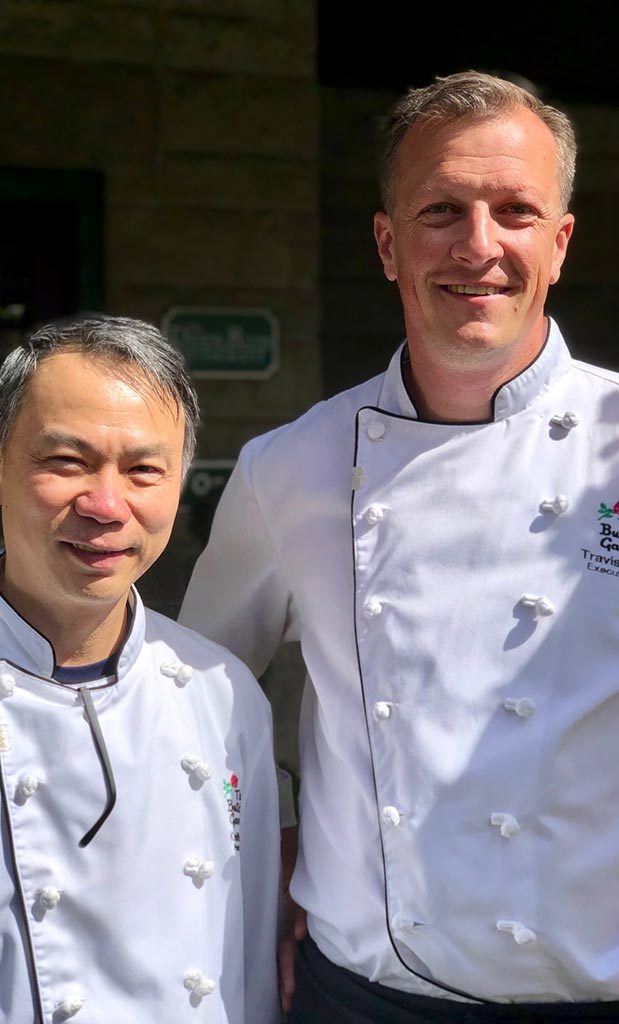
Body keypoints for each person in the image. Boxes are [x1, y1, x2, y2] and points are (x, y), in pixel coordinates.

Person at [179, 71, 619, 1021]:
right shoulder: (288, 465)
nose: (479, 245)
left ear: (559, 243)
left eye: (514, 211)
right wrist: (277, 830)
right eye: (440, 210)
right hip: (364, 995)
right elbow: (199, 698)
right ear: (386, 244)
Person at [0, 317, 281, 1024]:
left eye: (143, 470)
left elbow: (247, 957)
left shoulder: (223, 694)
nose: (104, 506)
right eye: (65, 461)